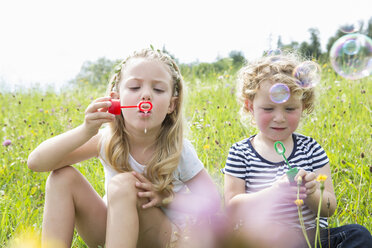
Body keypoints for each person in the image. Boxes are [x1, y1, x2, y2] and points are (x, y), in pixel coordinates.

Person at [27, 48, 221, 248]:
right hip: (112, 231)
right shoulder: (107, 139)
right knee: (62, 177)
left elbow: (211, 202)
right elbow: (36, 163)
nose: (146, 95)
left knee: (125, 184)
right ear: (115, 100)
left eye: (158, 90)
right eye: (135, 87)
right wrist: (86, 130)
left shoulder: (178, 150)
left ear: (171, 105)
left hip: (160, 238)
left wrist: (167, 198)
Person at [223, 52, 372, 248]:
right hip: (266, 240)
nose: (279, 118)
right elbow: (233, 206)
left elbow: (329, 208)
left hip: (314, 239)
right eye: (268, 109)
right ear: (250, 106)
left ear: (303, 106)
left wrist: (311, 193)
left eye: (290, 109)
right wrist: (274, 192)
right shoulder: (241, 152)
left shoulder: (311, 149)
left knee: (357, 234)